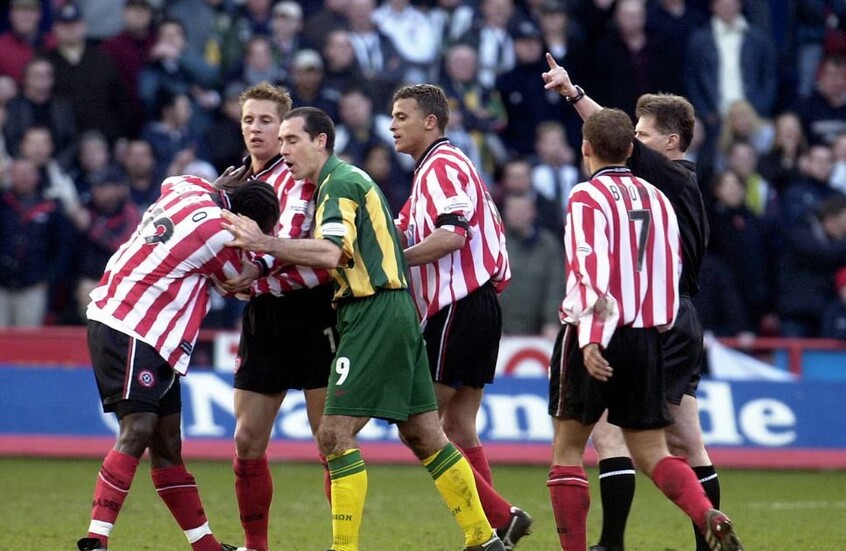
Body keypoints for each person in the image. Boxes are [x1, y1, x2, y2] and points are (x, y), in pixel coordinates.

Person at [221, 106, 506, 551]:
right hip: (394, 309)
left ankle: (344, 549)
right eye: (283, 142)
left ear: (321, 141)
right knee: (423, 433)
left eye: (292, 140)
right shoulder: (341, 183)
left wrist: (263, 243)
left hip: (372, 311)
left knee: (333, 434)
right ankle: (484, 538)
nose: (283, 150)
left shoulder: (339, 184)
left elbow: (331, 253)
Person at [542, 55, 724, 551]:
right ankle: (694, 528)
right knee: (678, 441)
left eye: (644, 135)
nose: (636, 143)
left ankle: (612, 542)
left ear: (671, 142)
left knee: (603, 437)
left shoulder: (667, 179)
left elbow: (610, 139)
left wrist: (574, 95)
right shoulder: (663, 191)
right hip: (665, 315)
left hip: (627, 315)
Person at [75, 175, 280, 551]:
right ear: (247, 222)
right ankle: (96, 539)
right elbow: (238, 282)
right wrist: (268, 252)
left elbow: (171, 180)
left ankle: (206, 546)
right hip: (132, 325)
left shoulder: (189, 188)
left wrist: (218, 187)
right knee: (138, 428)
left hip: (153, 337)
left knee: (168, 445)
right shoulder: (220, 234)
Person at [390, 83, 532, 551]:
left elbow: (452, 235)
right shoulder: (434, 170)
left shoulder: (443, 166)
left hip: (458, 305)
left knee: (418, 424)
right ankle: (493, 530)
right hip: (477, 305)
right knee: (457, 426)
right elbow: (402, 228)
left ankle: (500, 518)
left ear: (430, 121)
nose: (392, 126)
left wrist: (394, 262)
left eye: (402, 116)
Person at [215, 82, 338, 551]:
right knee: (247, 440)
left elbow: (292, 235)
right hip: (264, 314)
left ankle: (343, 543)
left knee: (330, 440)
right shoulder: (234, 181)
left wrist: (252, 268)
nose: (256, 129)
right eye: (249, 120)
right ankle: (256, 546)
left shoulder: (300, 175)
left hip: (313, 311)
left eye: (266, 121)